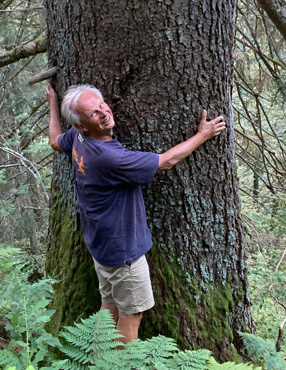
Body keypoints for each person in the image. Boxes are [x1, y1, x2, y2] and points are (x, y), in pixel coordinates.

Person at [46, 83, 226, 344]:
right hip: (123, 251)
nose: (103, 112)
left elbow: (54, 141)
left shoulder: (77, 137)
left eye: (101, 104)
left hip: (100, 245)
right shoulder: (110, 157)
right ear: (83, 125)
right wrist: (203, 135)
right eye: (94, 113)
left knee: (108, 310)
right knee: (132, 315)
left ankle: (99, 366)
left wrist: (52, 102)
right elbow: (166, 162)